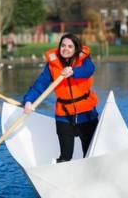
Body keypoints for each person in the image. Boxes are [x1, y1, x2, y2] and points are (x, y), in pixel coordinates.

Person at [23, 33, 99, 163]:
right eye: (63, 45)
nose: (66, 49)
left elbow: (89, 70)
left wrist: (73, 72)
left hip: (86, 114)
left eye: (70, 46)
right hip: (63, 115)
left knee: (90, 155)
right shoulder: (52, 65)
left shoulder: (84, 60)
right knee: (65, 157)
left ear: (76, 49)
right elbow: (40, 85)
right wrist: (28, 101)